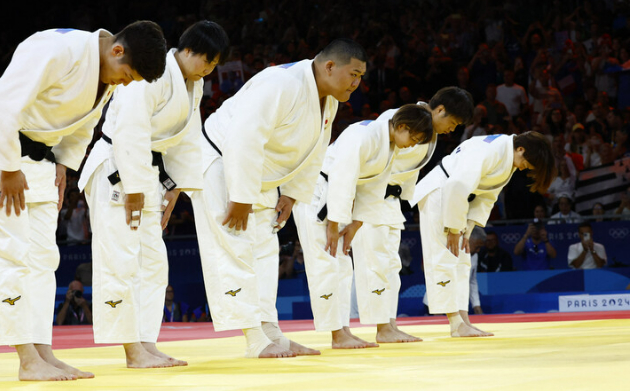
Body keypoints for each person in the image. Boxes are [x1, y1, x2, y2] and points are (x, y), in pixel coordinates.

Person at [0, 20, 167, 381]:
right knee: (10, 254)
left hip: (41, 160)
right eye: (127, 74)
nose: (125, 83)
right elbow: (0, 103)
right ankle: (26, 359)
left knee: (42, 258)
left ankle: (44, 353)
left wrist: (65, 164)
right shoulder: (57, 49)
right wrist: (7, 167)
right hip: (2, 154)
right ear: (117, 50)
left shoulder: (105, 73)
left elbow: (85, 124)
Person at [192, 38, 367, 358]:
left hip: (258, 174)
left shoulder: (328, 100)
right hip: (221, 161)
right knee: (235, 245)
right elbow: (244, 136)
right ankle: (254, 339)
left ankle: (271, 332)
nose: (356, 83)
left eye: (361, 77)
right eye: (353, 74)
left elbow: (314, 153)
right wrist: (241, 196)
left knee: (264, 253)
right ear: (330, 66)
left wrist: (292, 193)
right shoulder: (280, 83)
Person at [78, 20, 228, 369]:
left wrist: (174, 186)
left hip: (149, 175)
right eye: (206, 60)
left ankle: (146, 342)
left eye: (214, 64)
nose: (208, 69)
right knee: (122, 259)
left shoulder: (194, 84)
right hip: (119, 171)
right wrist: (133, 187)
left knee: (153, 262)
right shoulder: (153, 71)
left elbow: (189, 137)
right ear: (188, 49)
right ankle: (132, 351)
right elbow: (130, 130)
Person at [293, 103, 433, 349]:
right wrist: (335, 223)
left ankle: (343, 330)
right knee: (325, 263)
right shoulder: (362, 135)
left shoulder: (388, 145)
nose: (413, 145)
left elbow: (372, 189)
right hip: (317, 195)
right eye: (414, 138)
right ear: (401, 126)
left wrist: (355, 224)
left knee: (343, 266)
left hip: (339, 204)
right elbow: (341, 178)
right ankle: (337, 334)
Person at [350, 87, 474, 344]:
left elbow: (408, 174)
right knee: (375, 264)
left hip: (392, 202)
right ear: (439, 110)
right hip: (369, 198)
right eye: (451, 122)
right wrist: (353, 203)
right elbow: (365, 158)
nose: (451, 130)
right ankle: (382, 327)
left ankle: (389, 325)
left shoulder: (427, 133)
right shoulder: (398, 119)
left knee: (391, 266)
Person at [411, 131, 555, 337]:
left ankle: (463, 321)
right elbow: (456, 184)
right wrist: (453, 228)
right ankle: (455, 323)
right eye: (527, 163)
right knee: (445, 257)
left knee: (462, 260)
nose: (525, 168)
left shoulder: (506, 157)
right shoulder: (491, 151)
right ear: (521, 149)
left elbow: (487, 197)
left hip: (456, 199)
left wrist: (467, 230)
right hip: (440, 192)